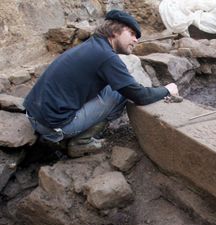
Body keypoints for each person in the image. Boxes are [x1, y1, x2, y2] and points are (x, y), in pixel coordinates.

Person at [24, 10, 179, 158]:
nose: (136, 40)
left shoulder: (93, 45)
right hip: (52, 126)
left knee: (115, 86)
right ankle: (81, 142)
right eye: (131, 33)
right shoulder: (106, 57)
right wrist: (167, 89)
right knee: (120, 95)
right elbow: (140, 96)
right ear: (114, 32)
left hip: (34, 113)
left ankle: (74, 133)